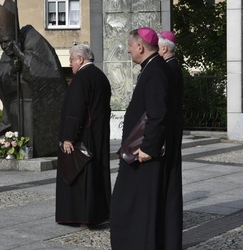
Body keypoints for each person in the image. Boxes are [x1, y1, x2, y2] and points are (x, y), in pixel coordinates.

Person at [110, 27, 177, 249]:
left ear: (140, 46)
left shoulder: (156, 70)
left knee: (134, 202)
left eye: (130, 46)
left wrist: (149, 147)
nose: (128, 51)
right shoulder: (153, 67)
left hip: (143, 153)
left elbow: (158, 113)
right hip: (141, 149)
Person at [0, 0, 67, 157]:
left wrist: (22, 56)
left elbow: (48, 73)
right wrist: (11, 73)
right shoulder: (7, 54)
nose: (6, 47)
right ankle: (13, 149)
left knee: (34, 141)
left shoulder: (34, 40)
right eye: (2, 43)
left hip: (36, 107)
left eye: (8, 43)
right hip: (16, 108)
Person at [56, 44, 111, 227]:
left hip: (83, 138)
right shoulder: (100, 76)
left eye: (71, 59)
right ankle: (97, 214)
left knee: (79, 176)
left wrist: (68, 137)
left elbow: (75, 109)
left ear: (80, 59)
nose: (70, 64)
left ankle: (79, 216)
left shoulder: (81, 78)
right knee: (96, 176)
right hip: (98, 135)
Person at [158, 30, 184, 250]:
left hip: (168, 134)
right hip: (173, 131)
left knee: (169, 184)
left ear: (164, 49)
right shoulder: (173, 67)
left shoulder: (167, 69)